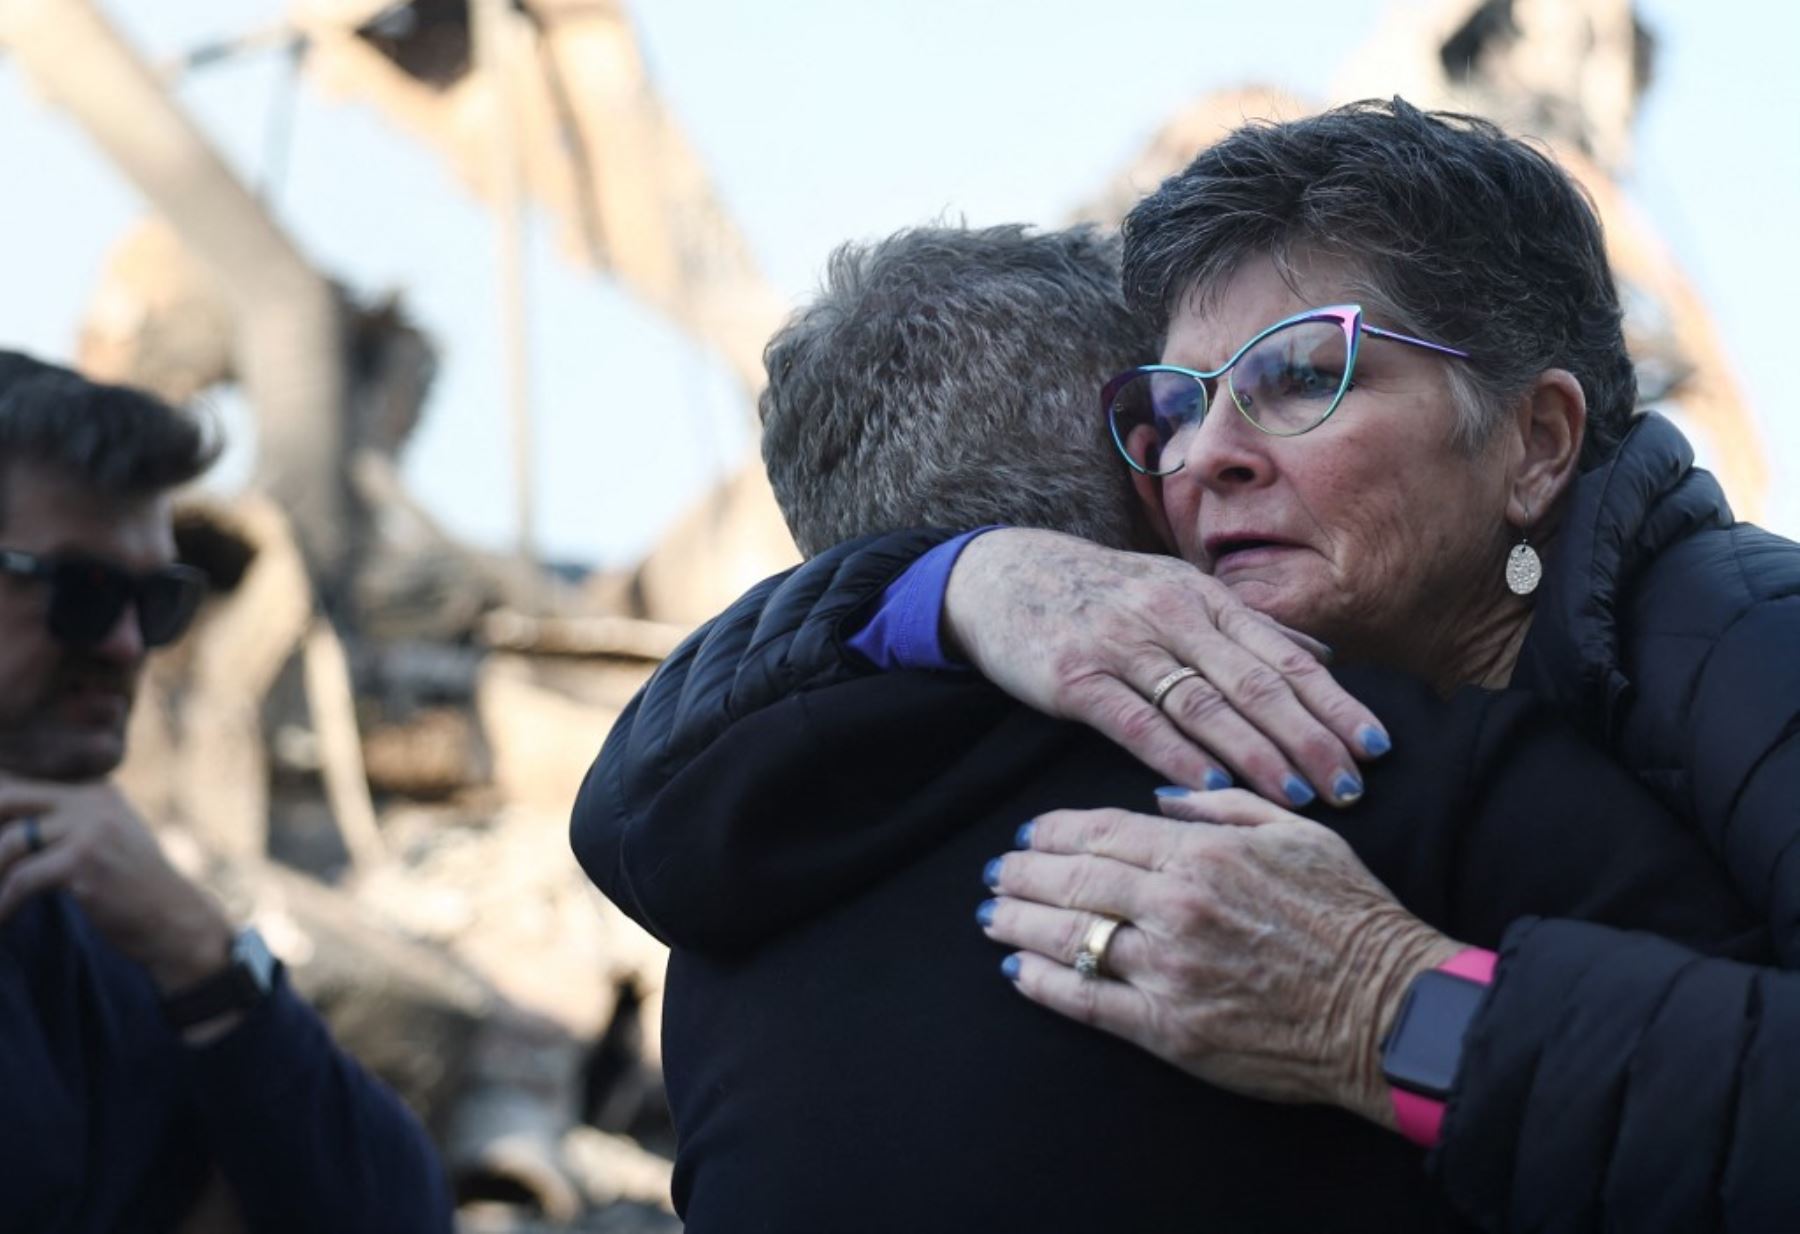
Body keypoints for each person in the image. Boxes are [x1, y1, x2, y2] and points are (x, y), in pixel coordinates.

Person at [576, 101, 1800, 1229]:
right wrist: (963, 578)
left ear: (1536, 444)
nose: (1206, 453)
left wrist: (1387, 1007)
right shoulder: (1337, 715)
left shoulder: (1749, 643)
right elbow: (650, 788)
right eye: (1176, 402)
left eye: (1303, 374)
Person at [0, 352, 452, 1232]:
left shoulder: (102, 909)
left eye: (160, 599)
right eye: (83, 593)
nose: (131, 645)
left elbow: (396, 1213)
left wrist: (207, 959)